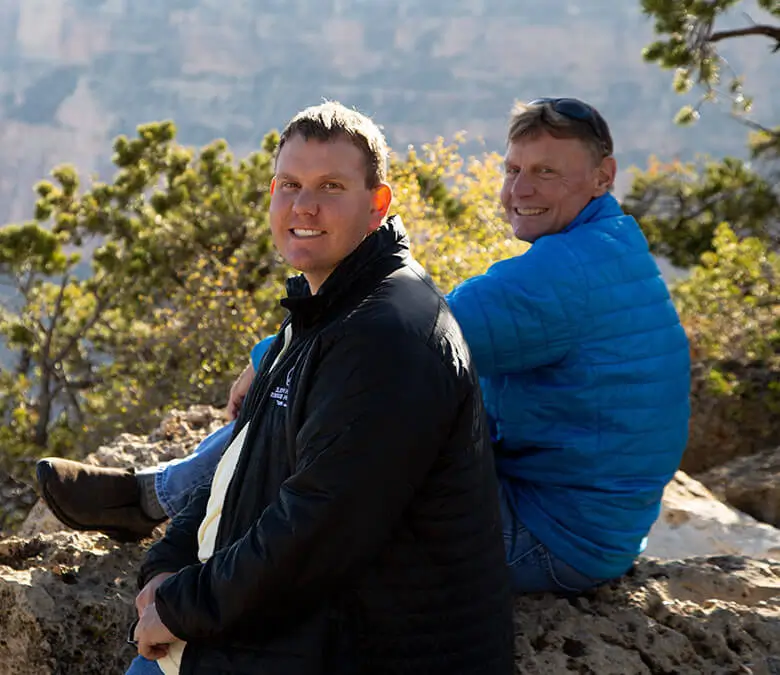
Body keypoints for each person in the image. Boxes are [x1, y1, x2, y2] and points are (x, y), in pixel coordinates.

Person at [38, 97, 691, 597]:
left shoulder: (565, 274)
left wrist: (271, 355)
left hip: (550, 538)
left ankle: (150, 502)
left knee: (315, 412)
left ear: (602, 175)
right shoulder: (606, 248)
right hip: (579, 518)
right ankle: (154, 499)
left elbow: (395, 345)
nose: (519, 189)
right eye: (513, 168)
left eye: (545, 172)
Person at [116, 102, 512, 674]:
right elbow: (243, 470)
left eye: (331, 186)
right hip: (283, 634)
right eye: (290, 184)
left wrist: (183, 605)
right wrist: (163, 567)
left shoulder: (389, 336)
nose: (304, 206)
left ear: (378, 205)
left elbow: (320, 525)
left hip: (364, 650)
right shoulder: (320, 313)